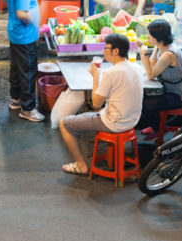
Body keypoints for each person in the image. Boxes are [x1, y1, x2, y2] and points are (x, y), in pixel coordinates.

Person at [59, 33, 143, 175]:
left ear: (116, 51)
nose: (104, 51)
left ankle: (81, 165)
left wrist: (96, 75)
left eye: (106, 48)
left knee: (64, 124)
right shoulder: (136, 67)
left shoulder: (111, 73)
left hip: (115, 123)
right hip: (133, 120)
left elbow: (96, 104)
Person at [136, 20, 182, 133]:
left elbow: (151, 75)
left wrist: (143, 53)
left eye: (151, 35)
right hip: (169, 90)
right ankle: (156, 126)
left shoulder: (168, 54)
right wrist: (144, 51)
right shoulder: (160, 46)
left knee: (144, 103)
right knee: (142, 97)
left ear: (159, 37)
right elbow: (152, 63)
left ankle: (160, 130)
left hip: (181, 95)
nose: (148, 37)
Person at [7, 0, 44, 122]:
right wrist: (36, 24)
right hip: (24, 35)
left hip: (15, 32)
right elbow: (22, 13)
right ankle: (28, 108)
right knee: (28, 70)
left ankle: (16, 99)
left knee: (17, 67)